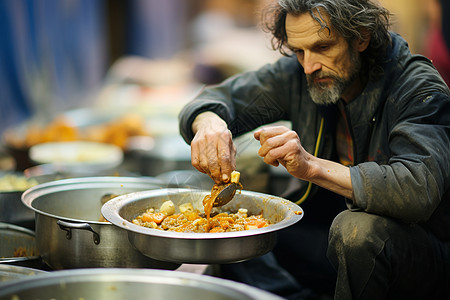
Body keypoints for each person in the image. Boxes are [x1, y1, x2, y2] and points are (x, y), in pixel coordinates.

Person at [179, 0, 450, 299]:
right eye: (298, 51)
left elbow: (416, 189)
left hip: (418, 253)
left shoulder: (418, 89)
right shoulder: (301, 72)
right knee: (239, 229)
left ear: (361, 36)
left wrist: (310, 166)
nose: (309, 66)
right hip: (326, 236)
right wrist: (208, 123)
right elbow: (217, 98)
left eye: (323, 48)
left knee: (358, 231)